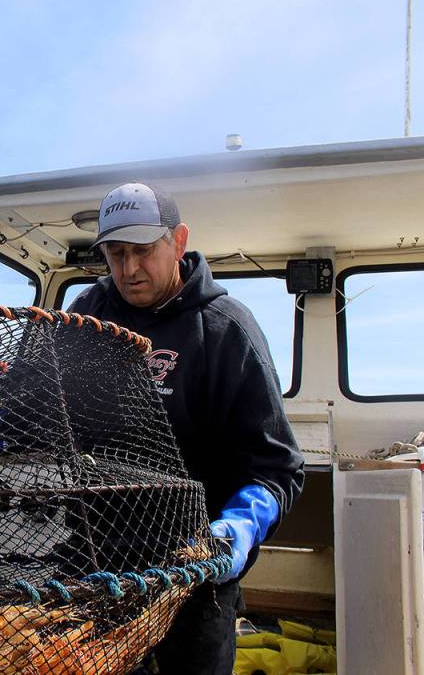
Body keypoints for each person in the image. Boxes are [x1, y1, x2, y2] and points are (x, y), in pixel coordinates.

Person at [66, 182, 305, 674]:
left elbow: (277, 468)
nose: (129, 269)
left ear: (178, 241)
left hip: (195, 576)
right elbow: (33, 407)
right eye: (115, 253)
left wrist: (239, 527)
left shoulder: (226, 329)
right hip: (95, 570)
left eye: (143, 251)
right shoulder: (85, 316)